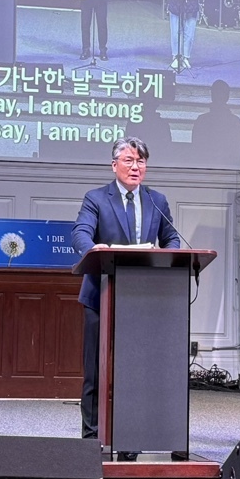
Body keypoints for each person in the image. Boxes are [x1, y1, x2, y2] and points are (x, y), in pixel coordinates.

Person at [71, 137, 180, 442]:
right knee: (96, 370)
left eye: (140, 161)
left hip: (142, 297)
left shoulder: (156, 200)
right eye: (129, 160)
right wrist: (94, 249)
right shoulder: (96, 198)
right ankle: (91, 437)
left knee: (135, 371)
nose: (135, 167)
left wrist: (167, 255)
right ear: (114, 165)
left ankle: (130, 436)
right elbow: (80, 232)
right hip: (101, 295)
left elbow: (171, 237)